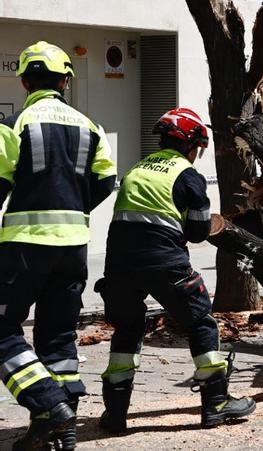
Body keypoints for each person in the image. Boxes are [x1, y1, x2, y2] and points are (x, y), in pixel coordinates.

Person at [98, 108, 256, 433]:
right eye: (199, 147)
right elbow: (198, 231)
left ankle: (114, 414)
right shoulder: (186, 174)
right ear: (191, 144)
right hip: (164, 261)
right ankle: (216, 403)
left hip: (118, 263)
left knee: (127, 329)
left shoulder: (137, 169)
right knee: (200, 322)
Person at [0, 42, 118, 449]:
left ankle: (49, 404)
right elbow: (106, 181)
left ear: (24, 80)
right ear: (66, 80)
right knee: (57, 337)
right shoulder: (90, 126)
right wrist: (73, 207)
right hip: (74, 245)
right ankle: (60, 429)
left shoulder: (14, 125)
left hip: (24, 246)